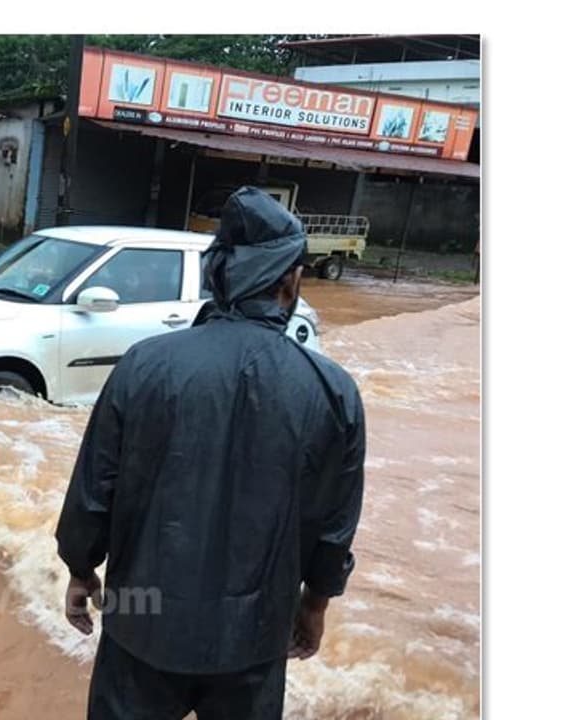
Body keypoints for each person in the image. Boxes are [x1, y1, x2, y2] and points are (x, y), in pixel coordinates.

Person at [54, 187, 366, 719]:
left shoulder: (144, 366)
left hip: (142, 627)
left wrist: (80, 570)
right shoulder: (331, 390)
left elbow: (93, 491)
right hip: (254, 639)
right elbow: (334, 522)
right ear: (290, 281)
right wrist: (315, 603)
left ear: (215, 275)